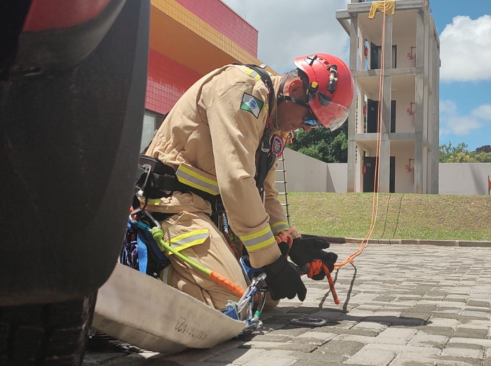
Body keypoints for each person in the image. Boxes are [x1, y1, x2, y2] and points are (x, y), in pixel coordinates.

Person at [135, 53, 355, 311]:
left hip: (207, 211)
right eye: (309, 119)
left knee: (266, 296)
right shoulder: (241, 92)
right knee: (234, 300)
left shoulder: (274, 126)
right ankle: (143, 278)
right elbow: (237, 180)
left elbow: (267, 193)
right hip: (172, 205)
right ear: (294, 89)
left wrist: (293, 243)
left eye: (315, 125)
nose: (306, 129)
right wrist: (272, 262)